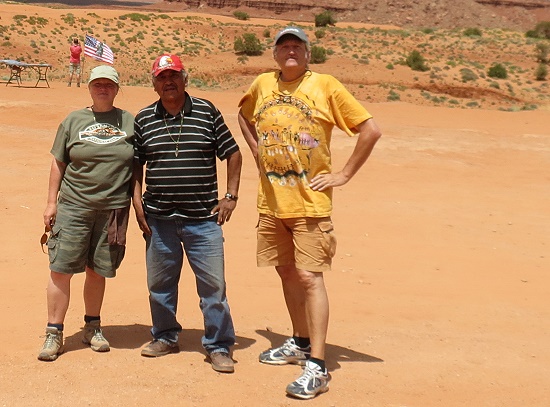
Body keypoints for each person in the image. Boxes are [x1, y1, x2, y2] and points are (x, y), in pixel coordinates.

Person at [238, 26, 382, 399]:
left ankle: (317, 367)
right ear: (274, 54)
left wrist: (344, 174)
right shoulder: (262, 84)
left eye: (297, 46)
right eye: (284, 46)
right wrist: (255, 148)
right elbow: (243, 115)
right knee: (286, 271)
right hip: (271, 203)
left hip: (309, 204)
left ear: (307, 54)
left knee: (309, 277)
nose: (290, 51)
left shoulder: (326, 86)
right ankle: (299, 342)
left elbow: (370, 130)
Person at [132, 54, 242, 373]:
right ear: (154, 84)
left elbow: (232, 154)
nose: (169, 82)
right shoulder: (144, 119)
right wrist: (136, 199)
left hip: (203, 219)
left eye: (174, 75)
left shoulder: (206, 111)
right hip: (159, 219)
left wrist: (231, 196)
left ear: (185, 79)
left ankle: (219, 345)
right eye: (162, 77)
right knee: (160, 285)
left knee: (213, 287)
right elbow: (136, 163)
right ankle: (165, 336)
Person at [38, 65, 135, 361]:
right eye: (97, 84)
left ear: (117, 88)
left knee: (98, 270)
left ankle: (92, 327)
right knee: (61, 268)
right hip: (74, 206)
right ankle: (54, 332)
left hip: (113, 208)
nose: (103, 88)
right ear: (90, 88)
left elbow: (142, 164)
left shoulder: (130, 122)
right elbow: (59, 162)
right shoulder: (73, 120)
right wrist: (51, 202)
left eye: (108, 84)